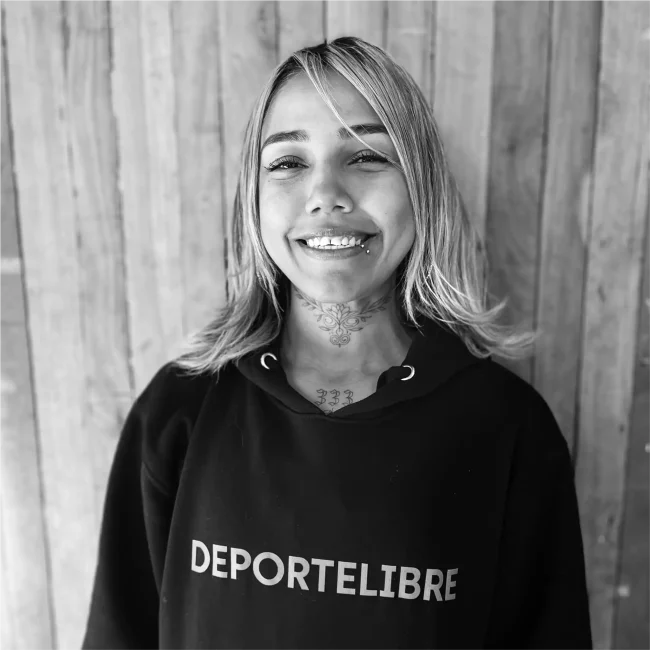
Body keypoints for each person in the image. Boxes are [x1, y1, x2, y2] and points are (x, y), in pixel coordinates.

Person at [81, 36, 593, 649]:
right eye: (288, 163)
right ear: (254, 198)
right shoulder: (179, 410)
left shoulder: (509, 428)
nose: (326, 193)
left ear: (422, 186)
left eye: (367, 156)